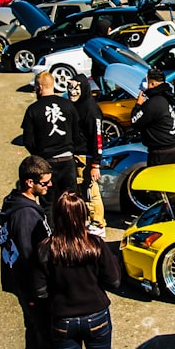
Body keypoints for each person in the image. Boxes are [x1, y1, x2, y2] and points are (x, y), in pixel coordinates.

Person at [35, 191, 121, 349]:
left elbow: (40, 291)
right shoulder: (94, 244)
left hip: (63, 320)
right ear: (83, 215)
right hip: (97, 316)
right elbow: (114, 281)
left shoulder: (47, 248)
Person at [0, 155, 62, 349]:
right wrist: (44, 290)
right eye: (45, 183)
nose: (49, 186)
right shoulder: (25, 216)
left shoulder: (21, 205)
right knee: (43, 347)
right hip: (33, 291)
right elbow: (30, 258)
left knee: (37, 341)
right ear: (29, 182)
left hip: (26, 287)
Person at [22, 71, 81, 214]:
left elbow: (28, 141)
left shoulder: (33, 110)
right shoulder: (68, 105)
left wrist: (38, 157)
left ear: (39, 87)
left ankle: (51, 234)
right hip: (67, 160)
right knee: (70, 202)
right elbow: (77, 134)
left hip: (46, 163)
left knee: (48, 204)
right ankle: (72, 233)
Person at [67, 74, 106, 236]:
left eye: (76, 89)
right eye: (70, 88)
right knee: (81, 191)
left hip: (87, 157)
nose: (72, 92)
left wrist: (95, 164)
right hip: (76, 155)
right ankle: (85, 221)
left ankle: (98, 224)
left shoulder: (90, 109)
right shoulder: (74, 105)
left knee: (91, 191)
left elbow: (97, 138)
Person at [130, 67, 175, 167]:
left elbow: (134, 122)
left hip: (161, 154)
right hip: (174, 148)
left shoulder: (154, 102)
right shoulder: (168, 98)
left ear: (153, 84)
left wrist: (139, 104)